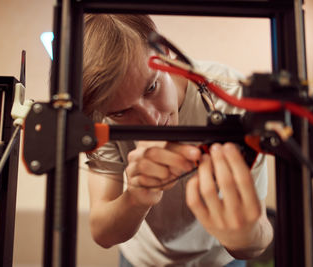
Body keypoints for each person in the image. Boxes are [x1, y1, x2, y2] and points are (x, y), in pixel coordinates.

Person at [83, 14, 273, 267]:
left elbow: (258, 234)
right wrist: (137, 197)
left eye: (151, 88)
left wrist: (243, 237)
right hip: (142, 260)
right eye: (120, 112)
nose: (151, 120)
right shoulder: (99, 117)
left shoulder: (232, 97)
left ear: (165, 53)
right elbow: (102, 232)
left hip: (219, 260)